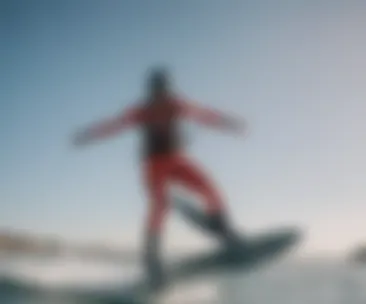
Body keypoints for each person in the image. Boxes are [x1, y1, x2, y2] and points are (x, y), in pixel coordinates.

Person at [72, 67, 247, 291]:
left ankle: (224, 229)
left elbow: (205, 116)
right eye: (156, 91)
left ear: (166, 89)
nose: (160, 95)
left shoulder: (177, 104)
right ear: (151, 90)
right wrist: (88, 135)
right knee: (160, 205)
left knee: (208, 186)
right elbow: (114, 126)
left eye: (162, 90)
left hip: (177, 160)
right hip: (154, 165)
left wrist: (229, 123)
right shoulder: (141, 111)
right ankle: (151, 257)